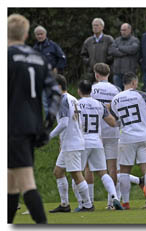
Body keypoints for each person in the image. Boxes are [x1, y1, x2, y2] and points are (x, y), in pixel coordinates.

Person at [8, 14, 61, 224]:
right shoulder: (38, 58)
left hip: (12, 127)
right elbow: (55, 94)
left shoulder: (6, 56)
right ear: (27, 34)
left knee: (26, 182)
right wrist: (47, 124)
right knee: (11, 184)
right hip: (31, 126)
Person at [111, 72, 146, 209]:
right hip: (144, 136)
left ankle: (126, 202)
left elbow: (116, 120)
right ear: (134, 83)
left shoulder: (115, 99)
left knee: (124, 170)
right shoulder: (141, 94)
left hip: (126, 137)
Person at [49, 74, 93, 213]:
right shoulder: (73, 98)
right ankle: (64, 204)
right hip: (73, 141)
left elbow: (63, 123)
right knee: (58, 172)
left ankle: (88, 204)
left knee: (76, 174)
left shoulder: (62, 99)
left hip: (72, 142)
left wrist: (48, 136)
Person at [76, 80, 123, 211]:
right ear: (91, 91)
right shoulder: (99, 105)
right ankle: (114, 197)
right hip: (97, 141)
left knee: (77, 173)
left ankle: (85, 203)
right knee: (103, 173)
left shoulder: (76, 104)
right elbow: (112, 122)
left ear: (79, 91)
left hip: (82, 141)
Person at [33, 25, 67, 117]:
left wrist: (57, 68)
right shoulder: (35, 48)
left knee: (57, 98)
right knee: (45, 100)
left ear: (45, 34)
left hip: (53, 77)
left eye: (41, 34)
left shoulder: (53, 46)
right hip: (41, 78)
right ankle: (50, 120)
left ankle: (62, 117)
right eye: (37, 34)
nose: (40, 36)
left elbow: (63, 58)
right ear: (35, 36)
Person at [81, 18, 114, 83]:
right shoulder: (88, 41)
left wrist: (105, 63)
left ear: (102, 27)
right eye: (93, 25)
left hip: (105, 73)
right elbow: (83, 55)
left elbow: (112, 54)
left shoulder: (109, 40)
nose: (95, 27)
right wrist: (89, 62)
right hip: (91, 72)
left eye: (97, 25)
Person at [108, 23, 140, 90]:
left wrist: (119, 48)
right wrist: (126, 52)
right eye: (121, 30)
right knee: (117, 92)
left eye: (125, 30)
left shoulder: (135, 40)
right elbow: (111, 51)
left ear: (130, 30)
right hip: (117, 72)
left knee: (129, 93)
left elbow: (133, 50)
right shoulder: (117, 40)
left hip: (129, 72)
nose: (123, 32)